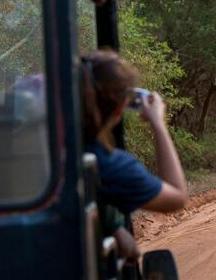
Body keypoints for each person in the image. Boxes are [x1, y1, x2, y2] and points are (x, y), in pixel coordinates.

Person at [80, 50, 188, 261]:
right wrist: (158, 123)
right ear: (121, 108)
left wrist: (114, 225)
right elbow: (177, 197)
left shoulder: (45, 148)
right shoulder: (111, 165)